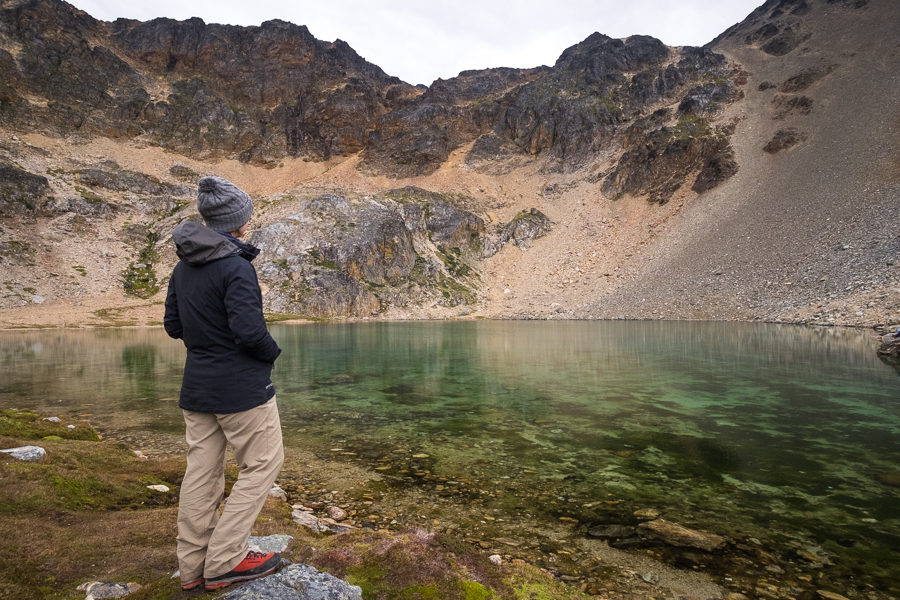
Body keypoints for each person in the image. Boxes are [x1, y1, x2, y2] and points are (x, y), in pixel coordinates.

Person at [164, 175, 284, 591]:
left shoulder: (183, 266)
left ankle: (193, 566)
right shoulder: (236, 266)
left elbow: (173, 325)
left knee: (201, 473)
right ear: (240, 221)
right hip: (241, 390)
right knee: (262, 466)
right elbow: (251, 333)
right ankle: (226, 560)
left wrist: (208, 345)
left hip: (197, 389)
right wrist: (273, 354)